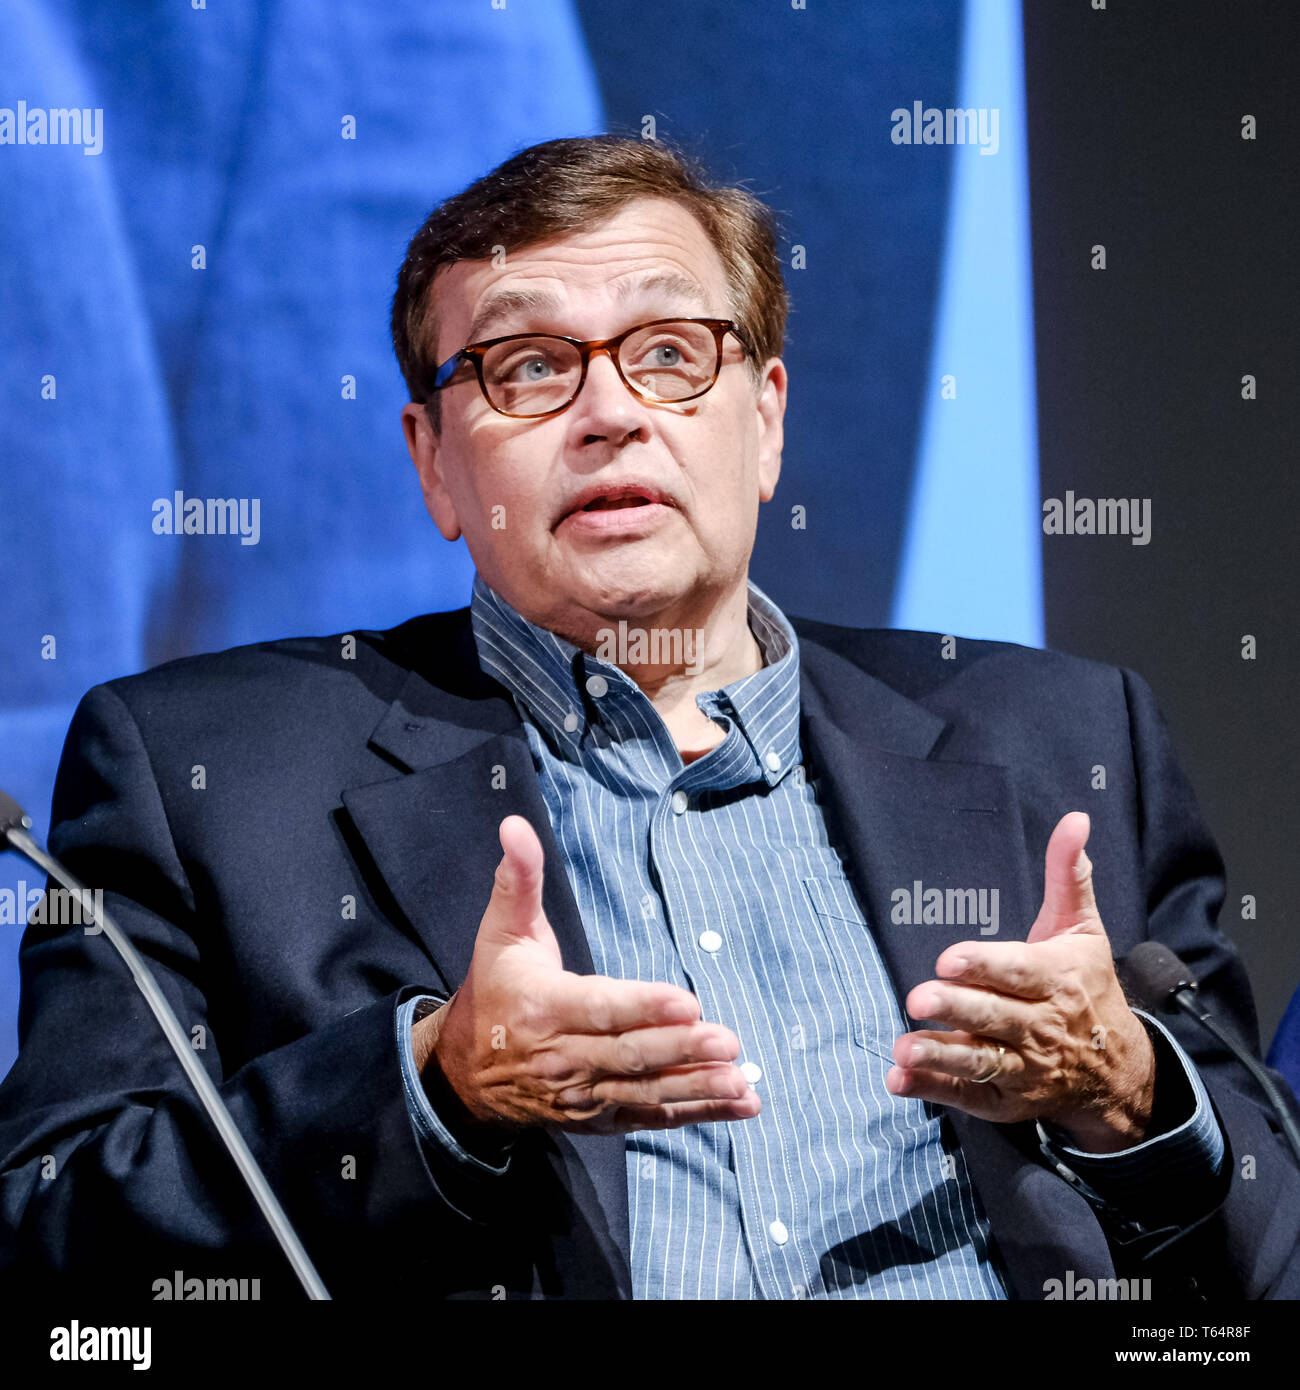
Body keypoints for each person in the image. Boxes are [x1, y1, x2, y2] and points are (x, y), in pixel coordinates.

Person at [1, 135, 1296, 1301]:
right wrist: (437, 1089)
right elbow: (52, 1236)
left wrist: (1132, 1098)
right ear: (432, 463)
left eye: (672, 354)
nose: (612, 412)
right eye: (527, 366)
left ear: (768, 419)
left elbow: (1271, 1242)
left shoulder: (1060, 733)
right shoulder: (204, 772)